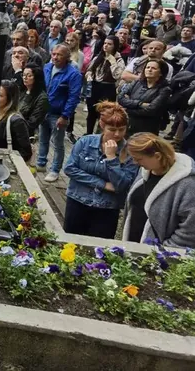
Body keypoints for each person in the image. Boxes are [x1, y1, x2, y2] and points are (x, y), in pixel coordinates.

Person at [63, 102, 137, 239]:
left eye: (122, 129)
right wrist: (102, 184)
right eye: (112, 129)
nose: (117, 134)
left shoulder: (129, 152)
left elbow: (122, 185)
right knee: (70, 241)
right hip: (78, 200)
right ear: (102, 125)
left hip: (106, 208)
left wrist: (111, 158)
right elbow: (69, 168)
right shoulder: (85, 142)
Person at [123, 133, 195, 248]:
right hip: (134, 246)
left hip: (157, 257)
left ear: (157, 156)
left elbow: (190, 228)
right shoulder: (146, 170)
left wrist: (164, 250)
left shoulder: (188, 183)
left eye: (138, 159)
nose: (135, 163)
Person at [37, 44, 82, 182]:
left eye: (59, 54)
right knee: (42, 138)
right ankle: (41, 162)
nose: (55, 57)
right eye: (54, 54)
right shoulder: (46, 68)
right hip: (43, 111)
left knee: (57, 143)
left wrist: (65, 115)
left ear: (67, 57)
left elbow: (73, 97)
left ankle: (55, 169)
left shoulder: (73, 74)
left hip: (58, 113)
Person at [118, 58, 171, 136]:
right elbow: (120, 98)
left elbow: (151, 110)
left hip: (147, 128)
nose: (149, 70)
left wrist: (127, 109)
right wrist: (140, 104)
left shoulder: (165, 89)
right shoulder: (137, 82)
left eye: (154, 68)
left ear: (161, 73)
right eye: (147, 67)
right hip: (128, 124)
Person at [84, 35, 124, 135]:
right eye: (105, 43)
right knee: (91, 112)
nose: (106, 46)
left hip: (108, 88)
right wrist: (89, 76)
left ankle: (100, 134)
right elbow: (89, 70)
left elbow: (117, 76)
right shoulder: (98, 57)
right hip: (94, 86)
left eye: (109, 44)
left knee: (104, 114)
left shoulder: (119, 59)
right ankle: (88, 133)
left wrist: (112, 61)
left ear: (115, 46)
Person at [0, 80, 33, 163]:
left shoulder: (16, 121)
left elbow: (26, 153)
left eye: (0, 95)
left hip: (4, 167)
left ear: (9, 99)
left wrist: (7, 161)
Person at [19, 65, 49, 136]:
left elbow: (33, 122)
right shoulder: (21, 91)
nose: (25, 78)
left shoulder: (42, 98)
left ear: (37, 77)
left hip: (24, 133)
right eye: (23, 75)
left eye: (29, 75)